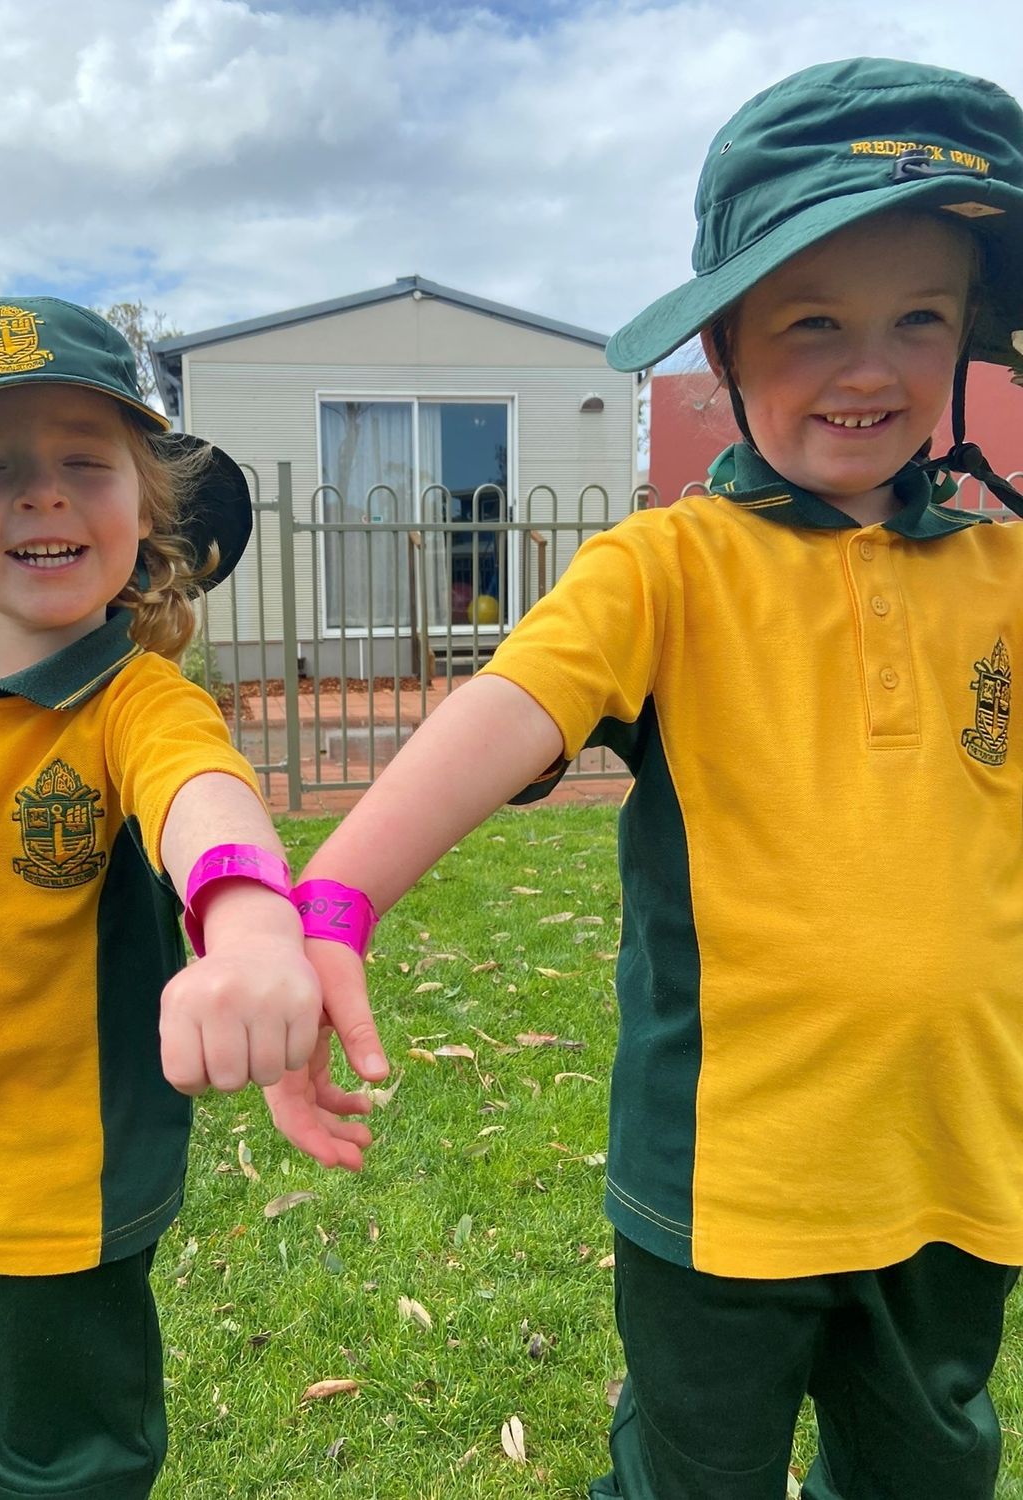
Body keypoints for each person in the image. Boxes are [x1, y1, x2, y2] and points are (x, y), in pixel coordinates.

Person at [265, 58, 1023, 1499]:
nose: (872, 368)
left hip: (959, 1166)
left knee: (929, 1474)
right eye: (814, 322)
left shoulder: (1006, 573)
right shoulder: (667, 568)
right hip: (723, 1187)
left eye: (920, 318)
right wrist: (334, 902)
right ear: (724, 342)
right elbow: (502, 711)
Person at [0, 296, 372, 1499]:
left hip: (55, 1220)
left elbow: (206, 804)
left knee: (65, 1476)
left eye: (86, 461)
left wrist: (252, 932)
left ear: (147, 501)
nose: (44, 496)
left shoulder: (140, 704)